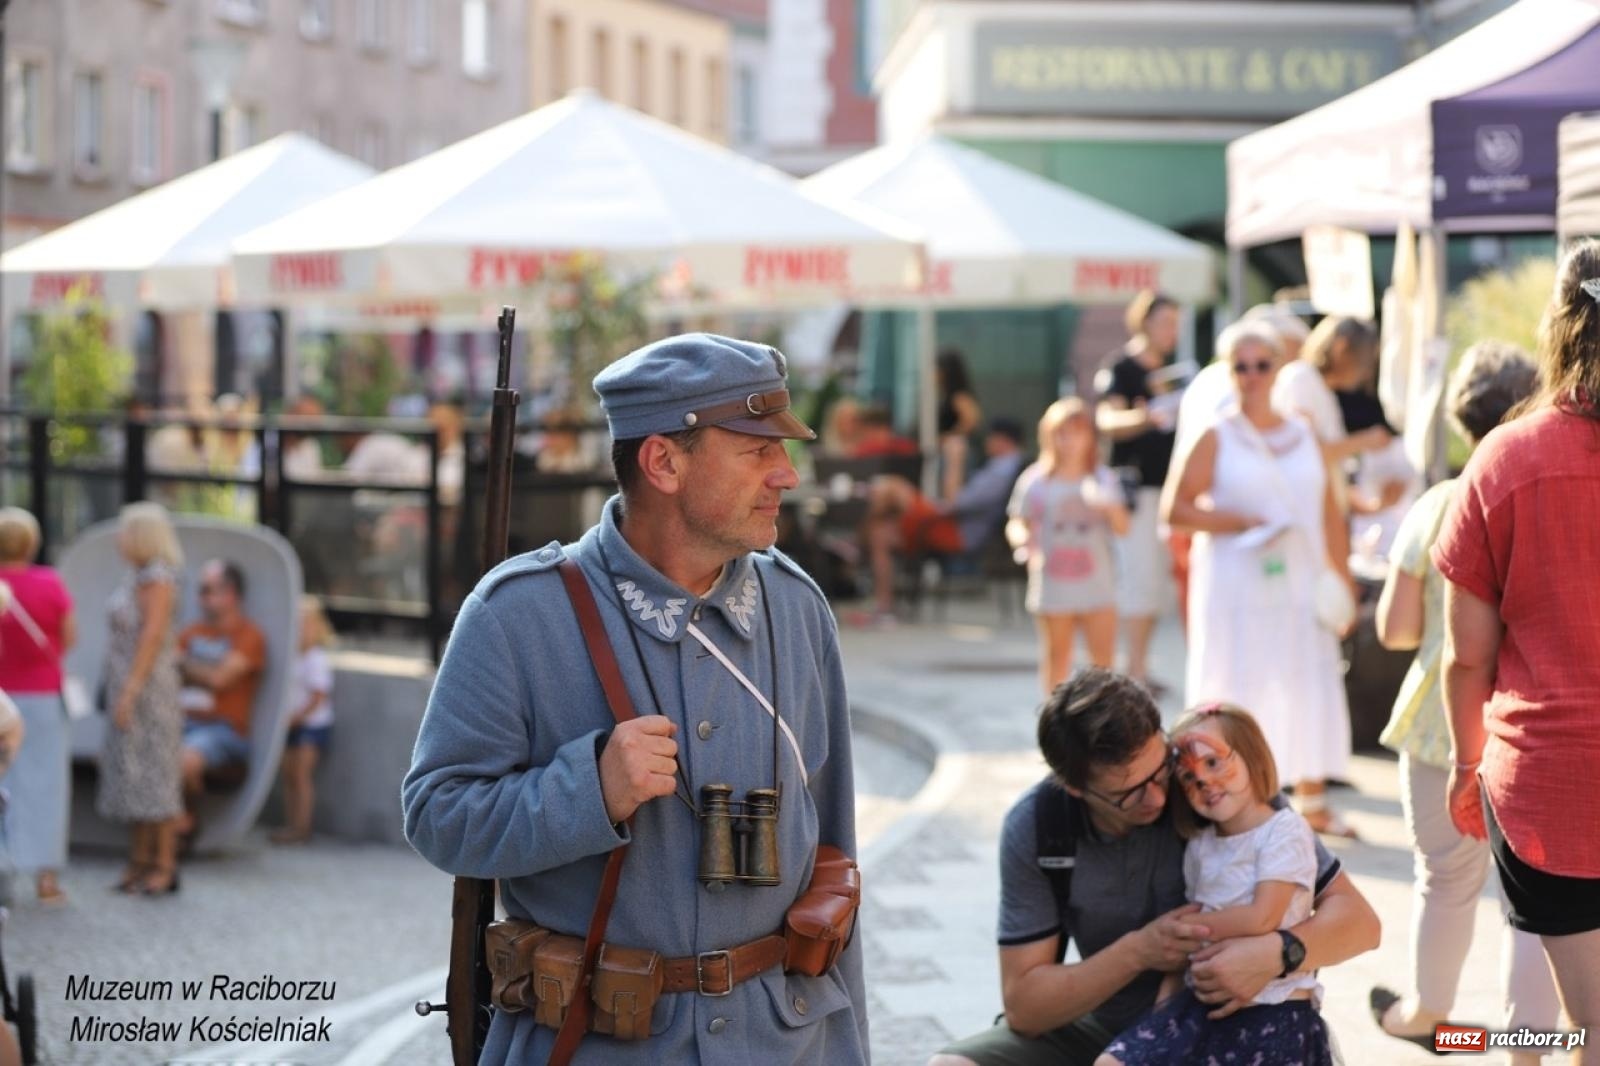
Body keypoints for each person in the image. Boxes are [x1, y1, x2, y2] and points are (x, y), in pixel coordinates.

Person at [403, 333, 867, 1063]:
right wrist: (588, 791)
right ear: (663, 463)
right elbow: (438, 817)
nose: (787, 474)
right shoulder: (517, 614)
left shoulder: (798, 607)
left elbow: (837, 861)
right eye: (757, 451)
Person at [928, 668, 1380, 1066]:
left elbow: (1361, 923)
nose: (1160, 798)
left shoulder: (1209, 786)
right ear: (1074, 788)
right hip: (1101, 1025)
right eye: (1128, 793)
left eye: (1161, 770)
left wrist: (1276, 953)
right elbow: (1026, 1009)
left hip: (1218, 1021)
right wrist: (1139, 951)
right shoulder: (1040, 825)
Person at [1368, 340, 1559, 1061]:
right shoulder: (1549, 493)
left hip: (1437, 727)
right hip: (1531, 723)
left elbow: (1395, 629)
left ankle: (1430, 1016)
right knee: (1535, 906)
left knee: (1444, 881)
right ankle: (1527, 1047)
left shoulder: (1439, 504)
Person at [1436, 241, 1600, 1065]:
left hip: (1547, 789)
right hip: (1553, 791)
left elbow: (1467, 655)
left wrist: (1465, 764)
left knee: (1589, 1020)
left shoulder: (1505, 459)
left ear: (1558, 323)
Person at [1162, 321, 1356, 839]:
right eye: (1240, 366)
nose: (1251, 375)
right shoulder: (1215, 433)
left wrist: (1341, 579)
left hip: (1299, 577)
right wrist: (1239, 522)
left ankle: (1313, 798)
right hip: (1235, 580)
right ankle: (1234, 801)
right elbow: (1175, 509)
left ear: (1278, 369)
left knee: (1305, 676)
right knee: (1239, 680)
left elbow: (1329, 512)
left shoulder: (1304, 431)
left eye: (1261, 365)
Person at [1095, 703, 1330, 1066]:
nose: (1203, 780)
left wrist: (1185, 926)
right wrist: (1162, 1012)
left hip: (1273, 1009)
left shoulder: (1284, 830)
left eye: (1213, 762)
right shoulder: (1199, 845)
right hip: (1198, 1006)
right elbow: (1184, 954)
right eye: (1188, 777)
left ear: (1251, 754)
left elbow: (1263, 917)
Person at [1007, 399, 1128, 692]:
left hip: (1097, 584)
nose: (1070, 441)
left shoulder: (1103, 479)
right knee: (1057, 656)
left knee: (1103, 663)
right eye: (1062, 433)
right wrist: (1021, 541)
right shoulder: (1035, 481)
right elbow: (1016, 521)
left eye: (1077, 433)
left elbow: (1123, 528)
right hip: (1052, 584)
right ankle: (1055, 715)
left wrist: (1109, 507)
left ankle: (1103, 716)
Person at [859, 418, 1026, 623]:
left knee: (892, 488)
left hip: (959, 532)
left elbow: (955, 502)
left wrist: (954, 461)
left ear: (1001, 440)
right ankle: (883, 603)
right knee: (880, 533)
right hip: (954, 525)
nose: (986, 442)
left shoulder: (1002, 470)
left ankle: (856, 548)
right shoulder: (1003, 467)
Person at [1095, 290, 1180, 690]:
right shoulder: (1121, 368)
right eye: (1166, 322)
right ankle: (1134, 670)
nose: (1171, 331)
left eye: (1175, 323)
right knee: (1138, 578)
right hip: (1135, 491)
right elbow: (1107, 422)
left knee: (1157, 582)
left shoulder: (1173, 371)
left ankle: (1139, 667)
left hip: (1169, 491)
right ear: (1145, 323)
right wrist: (1146, 417)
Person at [97, 502, 183, 896]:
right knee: (134, 778)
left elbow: (152, 636)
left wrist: (130, 692)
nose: (118, 539)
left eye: (124, 531)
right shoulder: (136, 576)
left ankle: (164, 865)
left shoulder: (157, 578)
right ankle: (139, 861)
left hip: (149, 693)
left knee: (157, 776)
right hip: (128, 686)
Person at [0, 507, 75, 905]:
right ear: (31, 544)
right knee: (47, 785)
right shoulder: (49, 582)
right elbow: (69, 637)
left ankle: (4, 869)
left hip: (3, 696)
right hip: (43, 694)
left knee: (4, 782)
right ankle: (46, 878)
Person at [177, 559, 267, 835]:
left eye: (207, 590)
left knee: (184, 761)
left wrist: (184, 665)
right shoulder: (190, 633)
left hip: (223, 729)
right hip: (181, 721)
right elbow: (166, 670)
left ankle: (186, 820)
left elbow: (220, 679)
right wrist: (196, 670)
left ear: (230, 594)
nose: (200, 598)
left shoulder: (249, 635)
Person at [272, 596, 337, 845]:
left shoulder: (316, 659)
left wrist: (297, 718)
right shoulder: (293, 657)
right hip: (291, 724)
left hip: (310, 725)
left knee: (301, 775)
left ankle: (302, 827)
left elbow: (318, 697)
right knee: (288, 775)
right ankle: (291, 824)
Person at [937, 349, 983, 502]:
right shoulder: (945, 395)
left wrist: (949, 436)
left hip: (957, 454)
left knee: (953, 494)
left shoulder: (959, 396)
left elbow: (971, 421)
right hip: (948, 452)